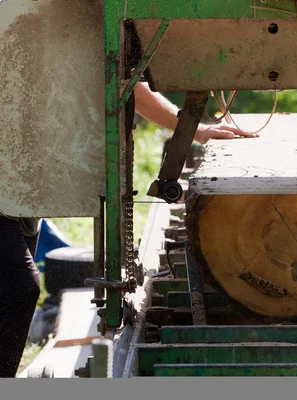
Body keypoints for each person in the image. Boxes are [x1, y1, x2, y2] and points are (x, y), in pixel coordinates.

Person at [0, 82, 256, 378]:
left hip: (18, 186)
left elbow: (129, 86)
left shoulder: (66, 37)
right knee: (20, 287)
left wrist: (194, 131)